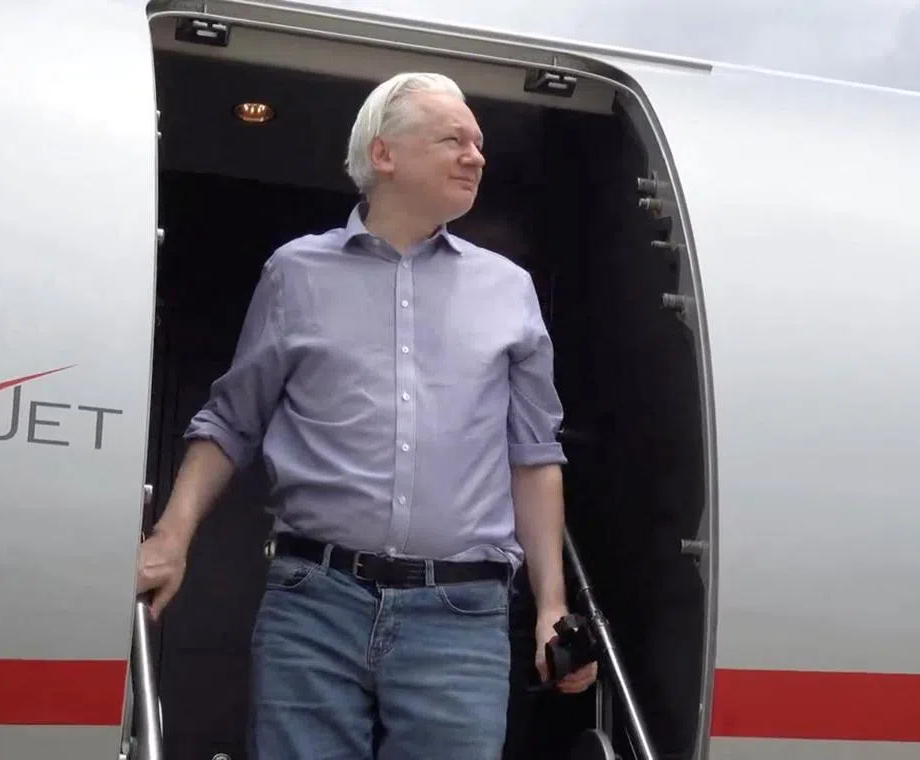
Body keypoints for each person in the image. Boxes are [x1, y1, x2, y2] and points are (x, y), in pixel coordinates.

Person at [135, 71, 597, 759]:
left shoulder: (509, 291)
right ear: (384, 154)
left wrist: (552, 606)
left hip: (460, 616)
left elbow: (533, 455)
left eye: (479, 143)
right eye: (454, 140)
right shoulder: (296, 274)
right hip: (314, 605)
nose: (477, 156)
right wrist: (170, 539)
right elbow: (231, 421)